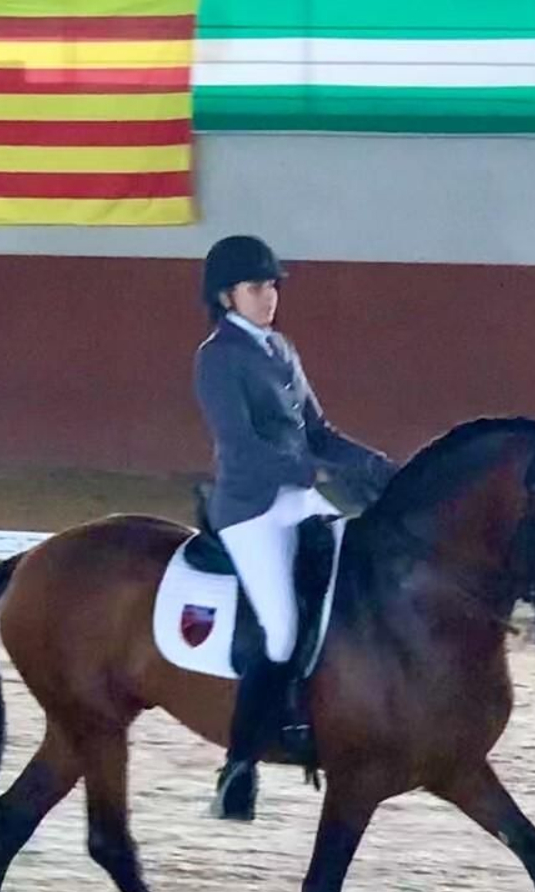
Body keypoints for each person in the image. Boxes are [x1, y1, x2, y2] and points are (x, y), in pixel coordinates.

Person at [192, 234, 396, 819]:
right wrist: (316, 467)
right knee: (281, 630)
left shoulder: (281, 349)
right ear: (227, 296)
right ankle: (238, 765)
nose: (269, 296)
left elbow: (319, 429)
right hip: (251, 506)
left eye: (273, 286)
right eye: (257, 288)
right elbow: (242, 447)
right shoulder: (217, 358)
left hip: (299, 497)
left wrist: (373, 464)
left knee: (353, 581)